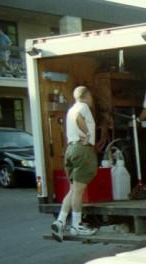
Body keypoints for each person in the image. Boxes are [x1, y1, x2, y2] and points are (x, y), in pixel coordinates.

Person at [50, 86, 98, 241]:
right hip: (82, 149)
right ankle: (77, 225)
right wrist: (87, 133)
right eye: (91, 96)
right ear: (87, 96)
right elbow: (79, 118)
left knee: (73, 189)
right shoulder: (82, 107)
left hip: (70, 149)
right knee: (78, 191)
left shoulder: (70, 109)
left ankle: (60, 221)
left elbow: (75, 118)